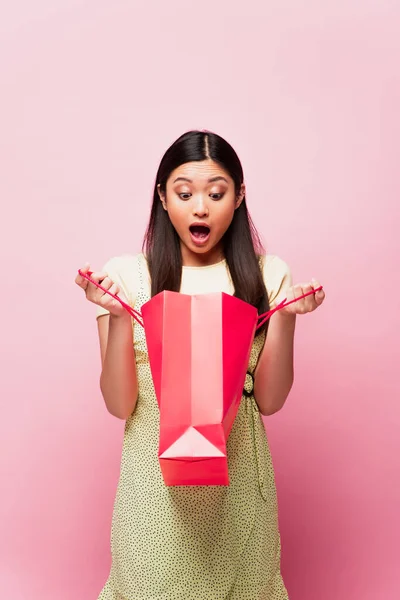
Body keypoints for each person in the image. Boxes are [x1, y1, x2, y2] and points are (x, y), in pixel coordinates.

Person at [75, 129, 325, 600]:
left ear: (239, 196)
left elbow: (269, 401)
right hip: (154, 497)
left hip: (239, 496)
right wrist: (116, 315)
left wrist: (287, 318)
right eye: (185, 193)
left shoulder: (268, 275)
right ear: (163, 198)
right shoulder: (128, 276)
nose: (201, 207)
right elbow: (119, 403)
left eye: (216, 193)